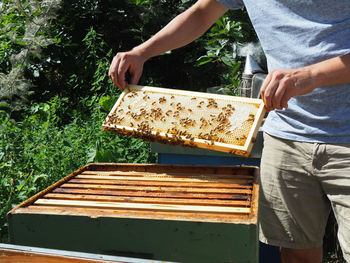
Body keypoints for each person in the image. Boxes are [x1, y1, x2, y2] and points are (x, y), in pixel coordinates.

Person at [108, 1, 350, 262]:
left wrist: (312, 75)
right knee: (294, 253)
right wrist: (142, 52)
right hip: (285, 136)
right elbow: (200, 14)